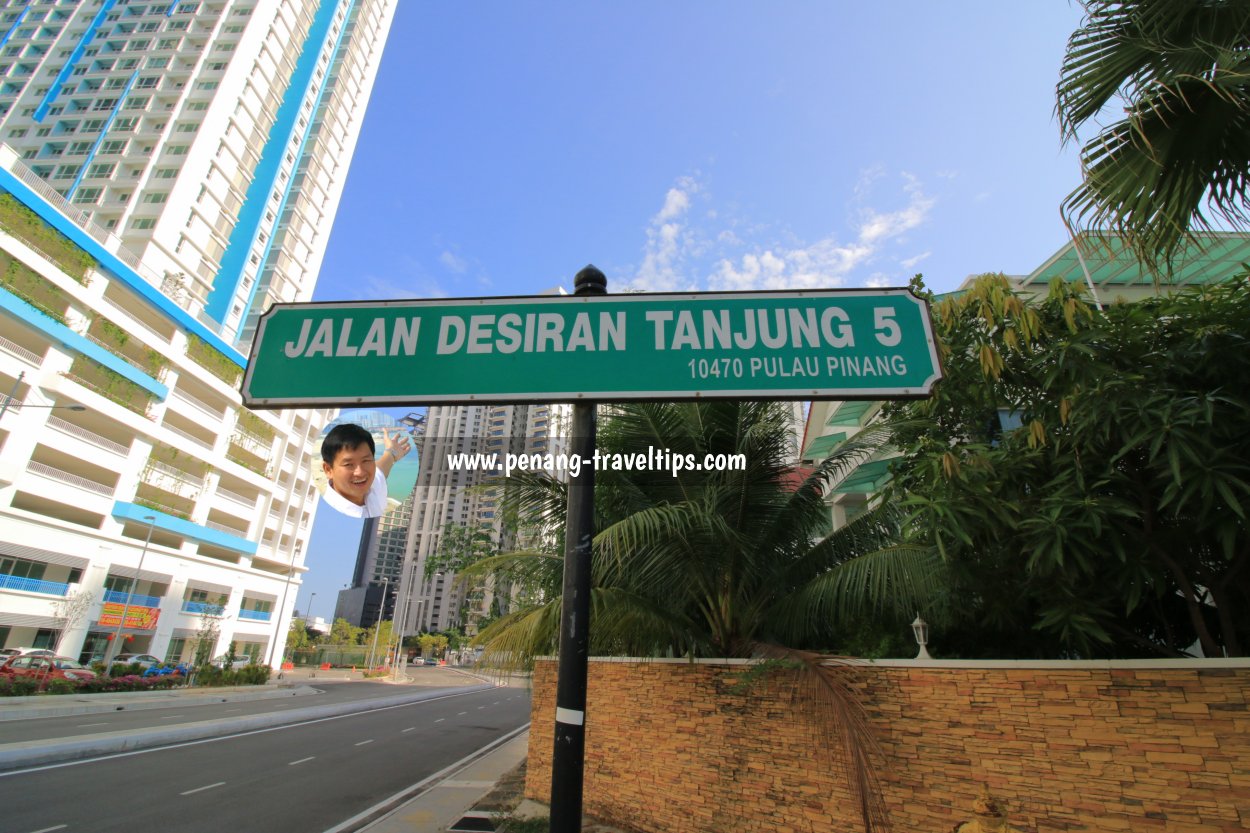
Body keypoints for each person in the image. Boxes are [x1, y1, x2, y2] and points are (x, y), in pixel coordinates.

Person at [319, 423, 411, 518]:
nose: (360, 472)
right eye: (348, 464)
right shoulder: (331, 514)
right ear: (328, 470)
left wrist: (392, 452)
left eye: (366, 460)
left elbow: (381, 469)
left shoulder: (372, 486)